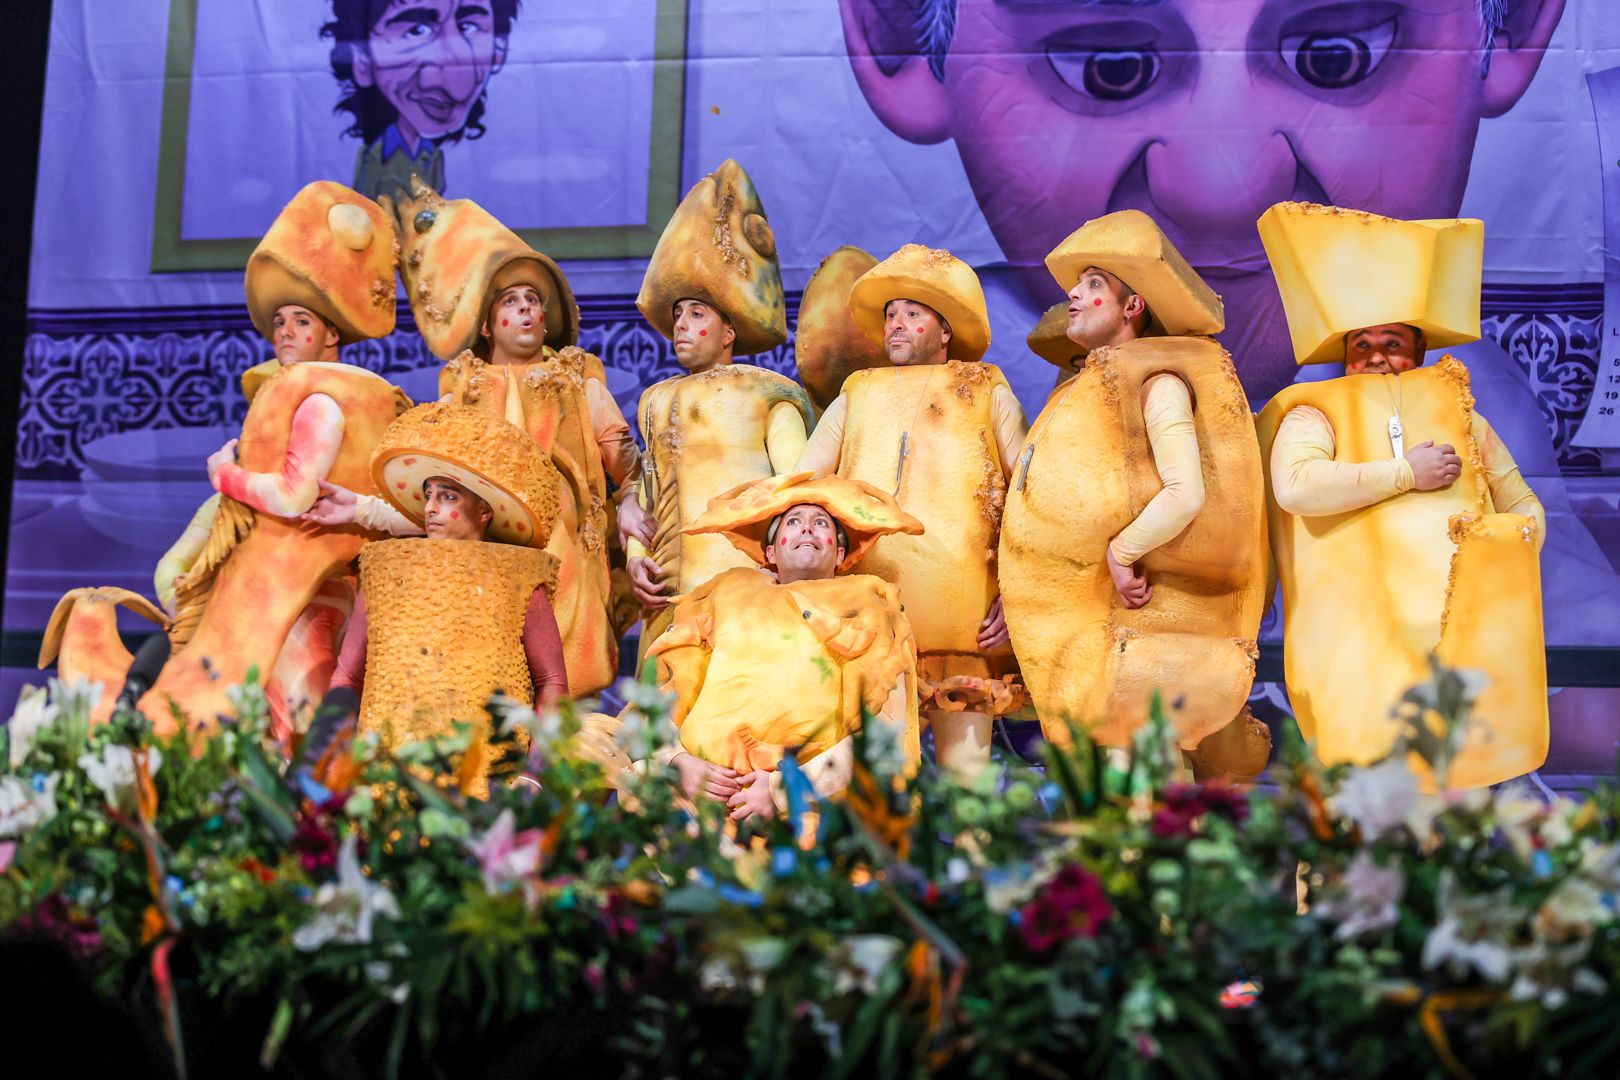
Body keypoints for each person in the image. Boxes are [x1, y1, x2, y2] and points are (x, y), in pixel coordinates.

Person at [42, 182, 405, 735]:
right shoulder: (289, 392)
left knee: (286, 693)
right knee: (189, 611)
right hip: (267, 562)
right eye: (279, 322)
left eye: (300, 322)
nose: (285, 331)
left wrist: (226, 474)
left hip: (309, 583)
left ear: (331, 334)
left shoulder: (323, 399)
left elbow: (291, 493)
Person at [309, 179, 641, 697]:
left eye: (534, 300)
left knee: (567, 688)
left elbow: (626, 465)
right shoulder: (463, 390)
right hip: (487, 563)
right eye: (512, 302)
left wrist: (631, 511)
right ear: (487, 325)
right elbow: (432, 488)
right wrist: (360, 507)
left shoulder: (578, 381)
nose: (528, 309)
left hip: (568, 557)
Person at [1256, 201, 1548, 788]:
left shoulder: (1467, 419)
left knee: (1444, 798)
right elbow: (1296, 486)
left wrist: (1500, 551)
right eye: (1361, 344)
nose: (1377, 357)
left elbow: (1524, 508)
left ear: (1418, 353)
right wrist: (1404, 474)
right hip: (1353, 649)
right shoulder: (1314, 413)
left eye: (1391, 343)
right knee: (1356, 802)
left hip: (1451, 648)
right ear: (1344, 357)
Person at [999, 211, 1271, 779]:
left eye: (1094, 285)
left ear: (1132, 307)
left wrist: (1122, 553)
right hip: (1097, 628)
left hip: (1144, 619)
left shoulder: (1160, 382)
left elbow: (1185, 491)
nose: (1073, 294)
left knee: (1143, 774)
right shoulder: (1086, 391)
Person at [796, 245, 1027, 774]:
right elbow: (804, 488)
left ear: (945, 330)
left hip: (964, 630)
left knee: (966, 788)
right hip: (867, 625)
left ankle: (969, 857)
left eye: (912, 314)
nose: (895, 325)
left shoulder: (985, 387)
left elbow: (1034, 498)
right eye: (890, 315)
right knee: (872, 786)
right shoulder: (856, 391)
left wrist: (1017, 598)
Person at [611, 472, 922, 821]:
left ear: (841, 554)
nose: (807, 528)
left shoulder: (870, 607)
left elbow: (884, 734)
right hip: (697, 801)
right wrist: (677, 762)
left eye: (821, 523)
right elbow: (660, 698)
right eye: (793, 521)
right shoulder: (724, 594)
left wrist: (784, 790)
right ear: (770, 552)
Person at [320, 403, 567, 793]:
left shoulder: (519, 572)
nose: (431, 507)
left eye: (448, 497)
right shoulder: (386, 567)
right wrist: (324, 753)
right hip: (391, 769)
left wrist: (534, 773)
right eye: (428, 495)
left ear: (484, 510)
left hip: (487, 774)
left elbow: (552, 681)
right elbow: (347, 675)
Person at [622, 159, 815, 652]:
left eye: (698, 313)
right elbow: (648, 488)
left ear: (728, 332)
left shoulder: (765, 392)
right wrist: (636, 554)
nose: (682, 324)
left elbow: (797, 487)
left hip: (747, 593)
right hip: (668, 599)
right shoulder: (656, 400)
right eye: (678, 314)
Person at [322, 0, 520, 202]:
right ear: (362, 60)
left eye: (468, 27)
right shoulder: (375, 156)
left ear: (499, 48)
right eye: (417, 31)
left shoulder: (432, 155)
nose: (451, 78)